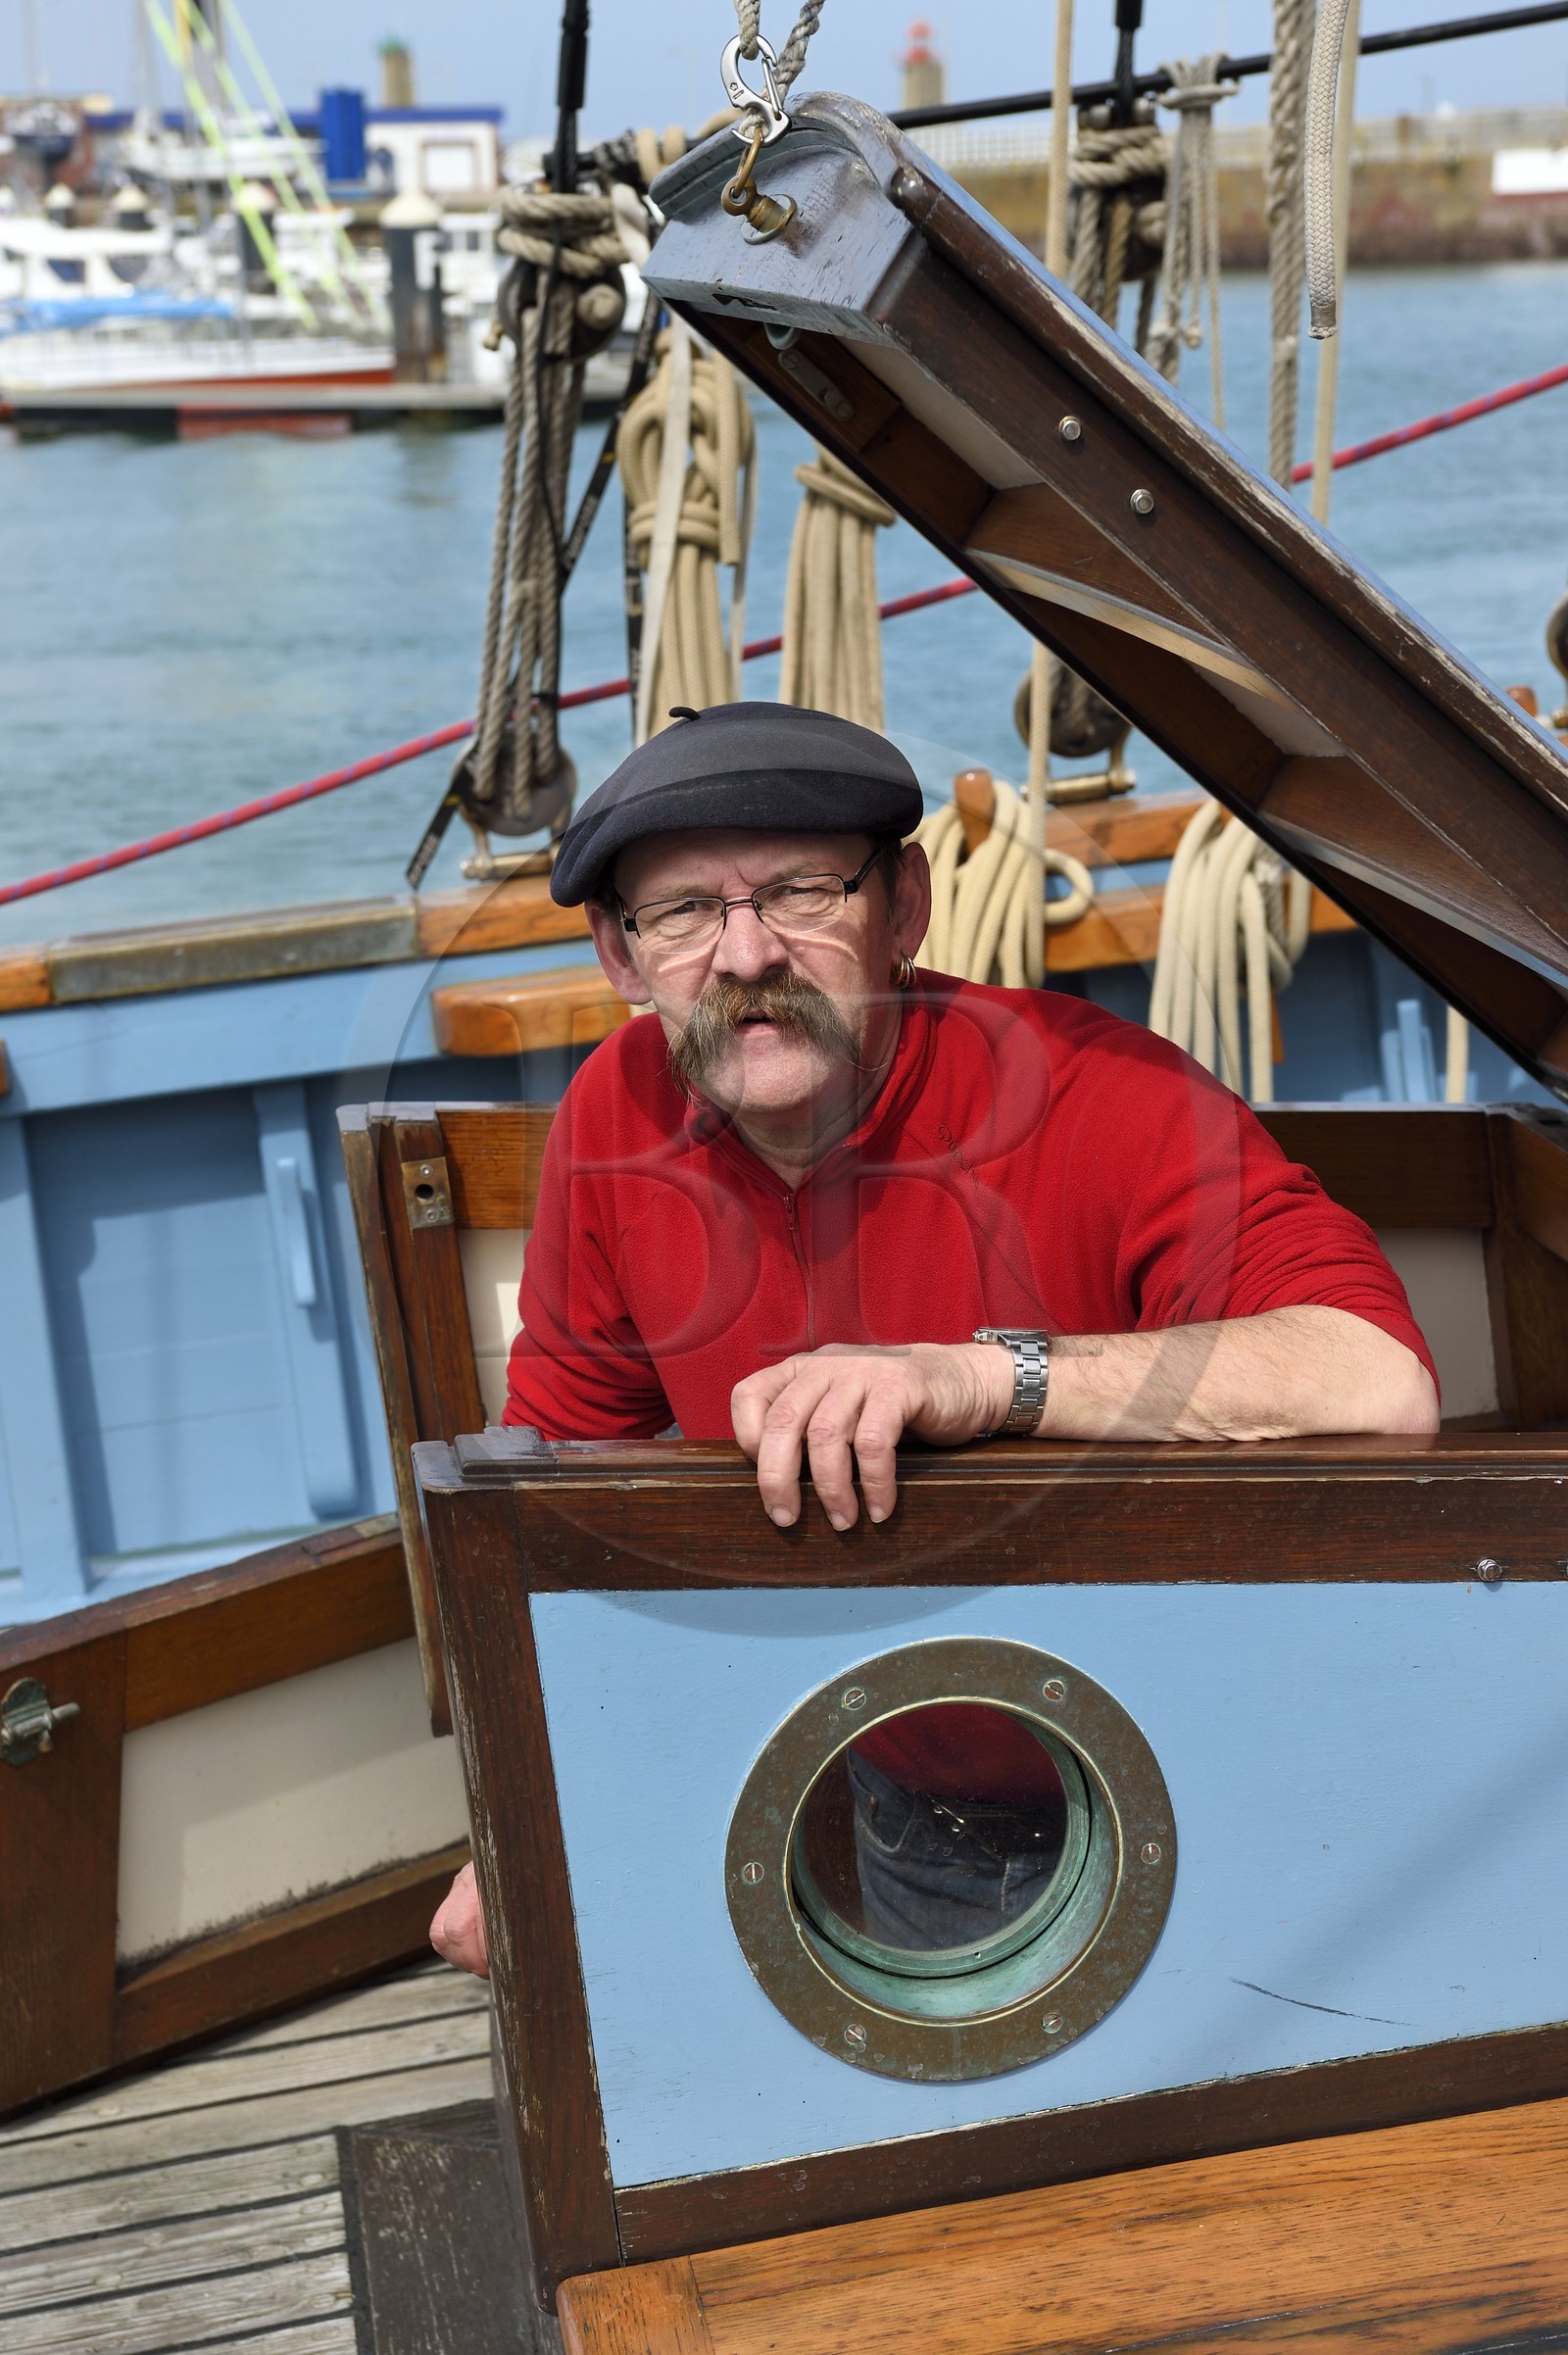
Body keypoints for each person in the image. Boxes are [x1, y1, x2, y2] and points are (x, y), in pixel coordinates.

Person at [431, 702, 1438, 1976]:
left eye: (801, 890)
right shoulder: (609, 1118)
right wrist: (523, 1811)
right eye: (683, 912)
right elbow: (564, 1510)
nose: (747, 955)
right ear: (620, 957)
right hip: (908, 1826)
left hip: (1223, 1788)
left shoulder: (1101, 1095)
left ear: (903, 907)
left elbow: (1376, 1381)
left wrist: (977, 1378)